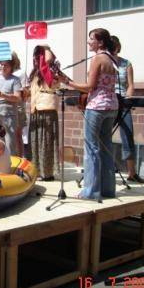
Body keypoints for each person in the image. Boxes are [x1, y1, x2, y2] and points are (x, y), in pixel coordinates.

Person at [60, 28, 118, 199]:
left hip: (97, 107)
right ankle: (108, 190)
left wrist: (69, 82)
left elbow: (89, 86)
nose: (88, 42)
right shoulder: (112, 59)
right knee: (106, 148)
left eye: (91, 39)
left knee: (92, 149)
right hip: (111, 106)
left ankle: (91, 191)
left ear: (100, 42)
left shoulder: (98, 58)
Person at [111, 36, 144, 184]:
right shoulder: (104, 62)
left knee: (128, 134)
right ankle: (103, 169)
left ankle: (132, 173)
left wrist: (128, 98)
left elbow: (131, 84)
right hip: (109, 101)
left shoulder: (126, 64)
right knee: (103, 134)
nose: (112, 50)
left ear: (118, 48)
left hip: (123, 101)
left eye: (114, 47)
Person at [28, 45, 60, 181]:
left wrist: (45, 48)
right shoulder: (34, 73)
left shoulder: (52, 69)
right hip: (36, 109)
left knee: (46, 142)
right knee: (35, 142)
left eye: (39, 56)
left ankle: (47, 172)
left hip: (47, 109)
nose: (36, 59)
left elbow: (47, 60)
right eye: (35, 56)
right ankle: (38, 170)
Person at [0, 55, 22, 156]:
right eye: (1, 64)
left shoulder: (15, 80)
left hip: (9, 115)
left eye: (5, 65)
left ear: (11, 66)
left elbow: (18, 98)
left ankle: (12, 165)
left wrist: (3, 95)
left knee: (10, 142)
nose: (3, 67)